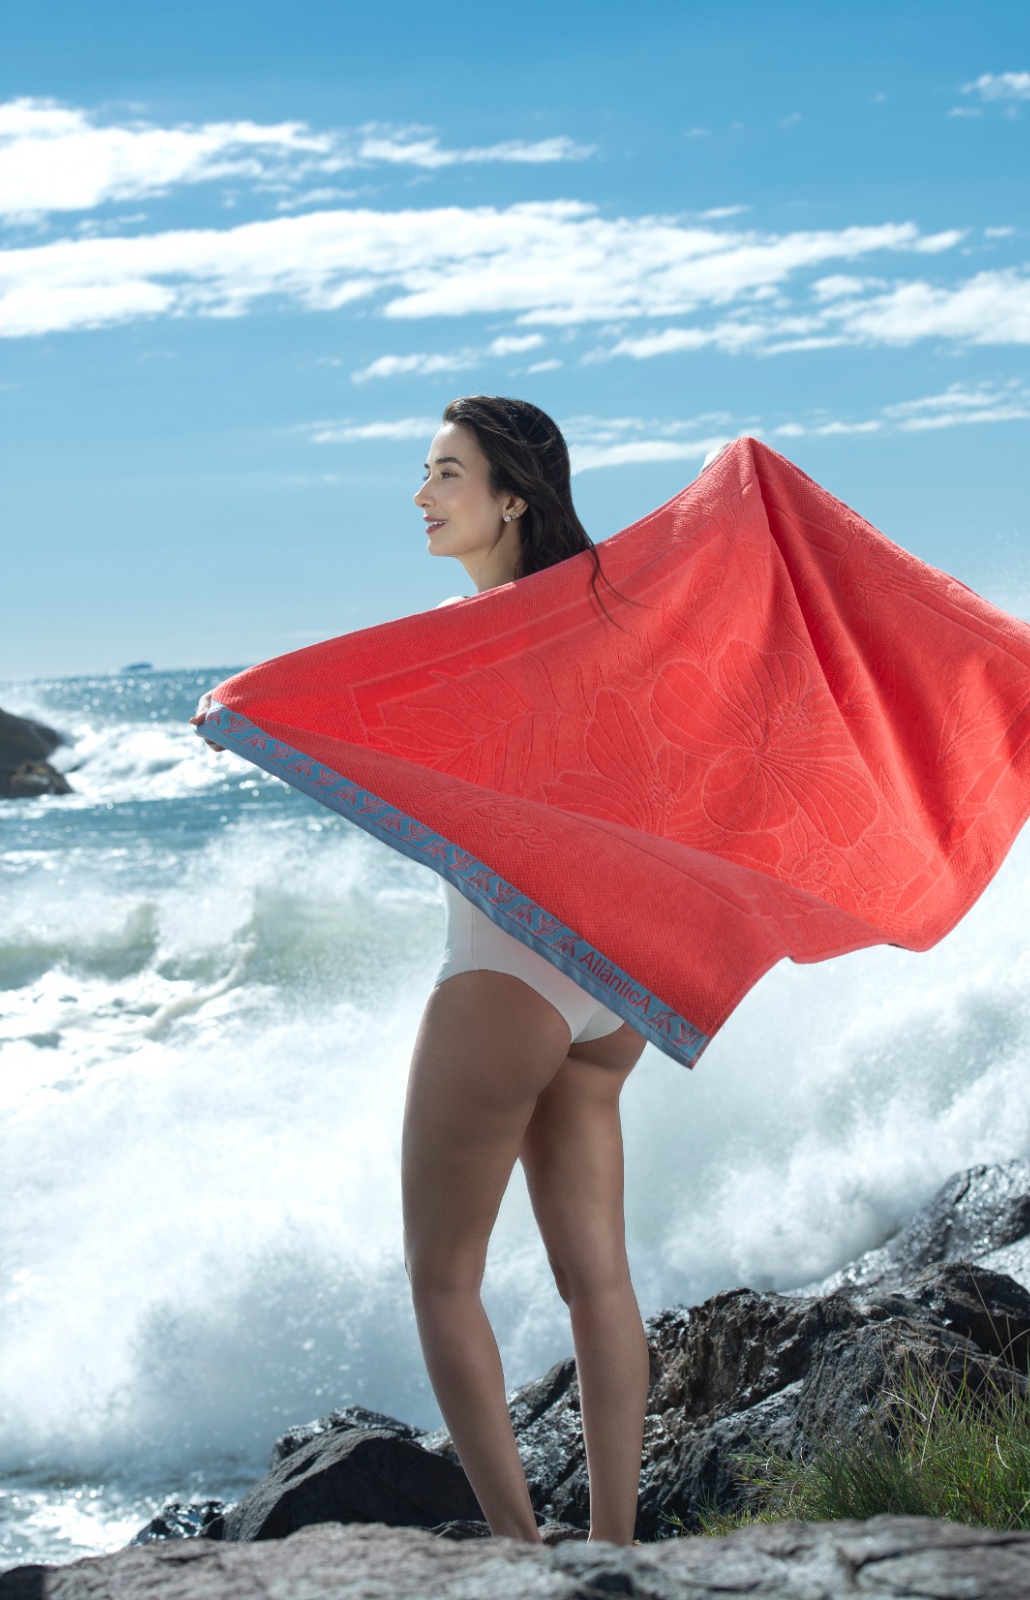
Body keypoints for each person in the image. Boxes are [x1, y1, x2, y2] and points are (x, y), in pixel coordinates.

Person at [192, 396, 649, 1546]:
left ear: (511, 499)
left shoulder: (467, 640)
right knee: (597, 1278)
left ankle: (523, 1554)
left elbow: (345, 696)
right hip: (613, 988)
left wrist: (239, 707)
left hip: (504, 982)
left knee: (444, 1279)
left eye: (447, 474)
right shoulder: (620, 620)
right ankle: (616, 1548)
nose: (422, 495)